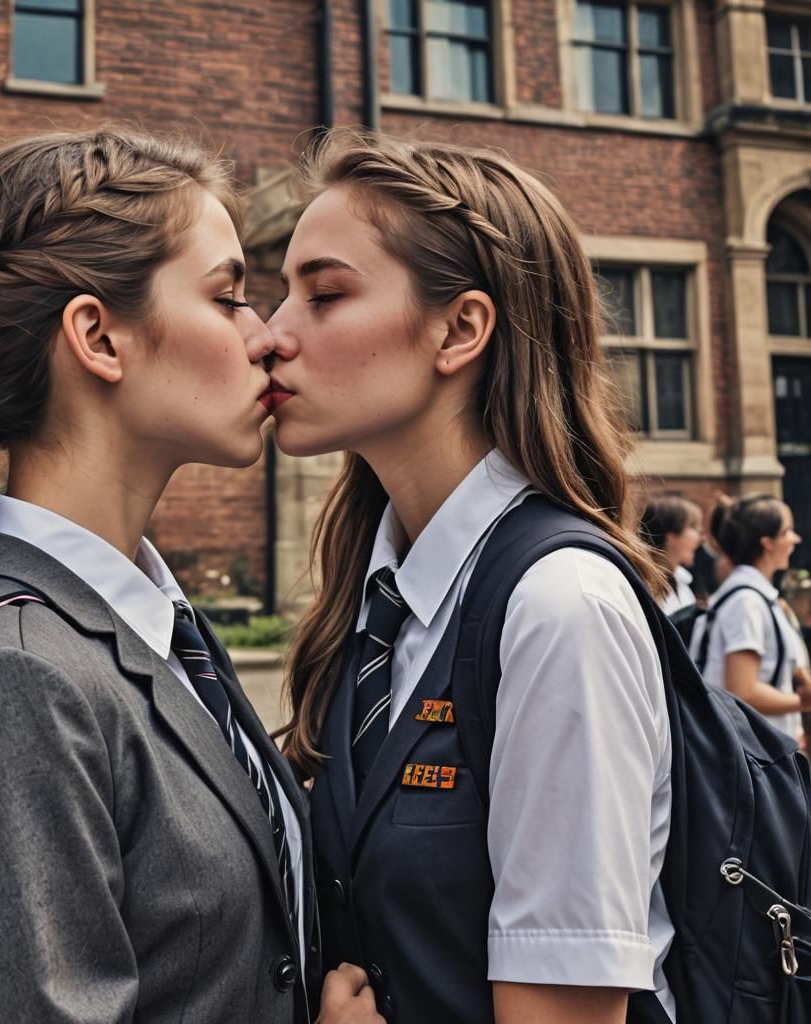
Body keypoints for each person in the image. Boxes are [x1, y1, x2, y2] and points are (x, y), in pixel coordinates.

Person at [0, 128, 380, 1024]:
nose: (266, 334)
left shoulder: (146, 621)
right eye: (229, 295)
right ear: (98, 339)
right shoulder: (20, 681)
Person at [268, 129, 676, 1024]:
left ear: (459, 329)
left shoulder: (559, 609)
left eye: (324, 295)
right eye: (276, 294)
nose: (270, 336)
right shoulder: (372, 604)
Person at [690, 493, 811, 743]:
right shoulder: (746, 603)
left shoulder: (756, 598)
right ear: (767, 543)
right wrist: (801, 703)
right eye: (787, 531)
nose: (795, 539)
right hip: (751, 759)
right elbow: (743, 691)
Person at [641, 494, 703, 615]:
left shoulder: (681, 582)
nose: (700, 538)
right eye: (693, 527)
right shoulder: (644, 588)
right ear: (670, 535)